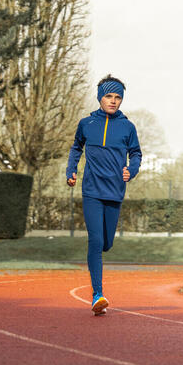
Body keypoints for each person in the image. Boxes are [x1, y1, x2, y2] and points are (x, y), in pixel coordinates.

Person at [66, 75, 142, 315]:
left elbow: (136, 153)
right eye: (109, 96)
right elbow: (76, 147)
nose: (114, 101)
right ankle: (97, 295)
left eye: (118, 97)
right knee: (96, 241)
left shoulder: (127, 127)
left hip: (115, 191)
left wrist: (132, 169)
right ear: (100, 97)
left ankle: (100, 266)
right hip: (91, 191)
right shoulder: (86, 124)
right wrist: (71, 170)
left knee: (107, 243)